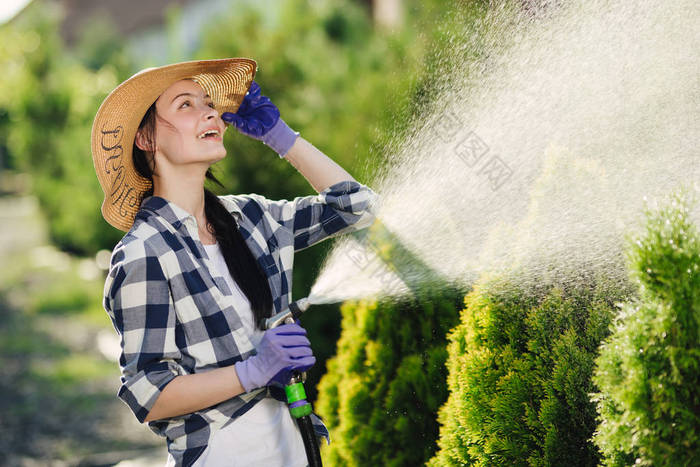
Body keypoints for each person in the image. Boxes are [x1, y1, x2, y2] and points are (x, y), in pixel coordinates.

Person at [91, 58, 378, 467]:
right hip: (222, 453)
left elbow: (356, 207)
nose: (210, 111)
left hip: (293, 444)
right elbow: (148, 393)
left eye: (210, 103)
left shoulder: (252, 219)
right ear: (146, 139)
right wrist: (254, 371)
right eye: (186, 105)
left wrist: (281, 137)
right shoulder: (144, 252)